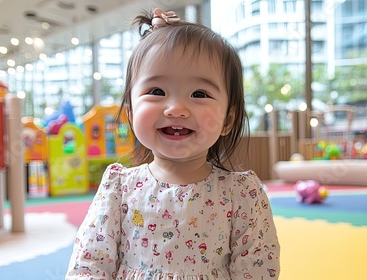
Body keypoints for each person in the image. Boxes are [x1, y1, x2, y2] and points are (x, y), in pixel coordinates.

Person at [66, 8, 280, 279]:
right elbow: (90, 262)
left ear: (228, 119)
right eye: (157, 91)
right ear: (131, 114)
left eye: (199, 93)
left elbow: (258, 269)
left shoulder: (242, 195)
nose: (176, 108)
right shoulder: (119, 188)